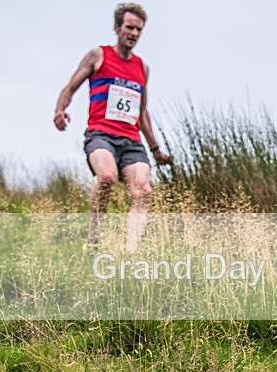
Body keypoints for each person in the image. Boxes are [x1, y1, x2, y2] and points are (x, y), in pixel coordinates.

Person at [53, 3, 172, 252]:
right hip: (100, 134)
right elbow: (70, 87)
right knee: (106, 177)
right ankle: (94, 240)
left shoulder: (142, 68)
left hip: (131, 139)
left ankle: (131, 252)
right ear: (117, 27)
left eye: (139, 30)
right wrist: (60, 111)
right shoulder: (99, 55)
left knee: (144, 190)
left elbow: (142, 112)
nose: (134, 34)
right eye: (129, 27)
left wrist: (155, 149)